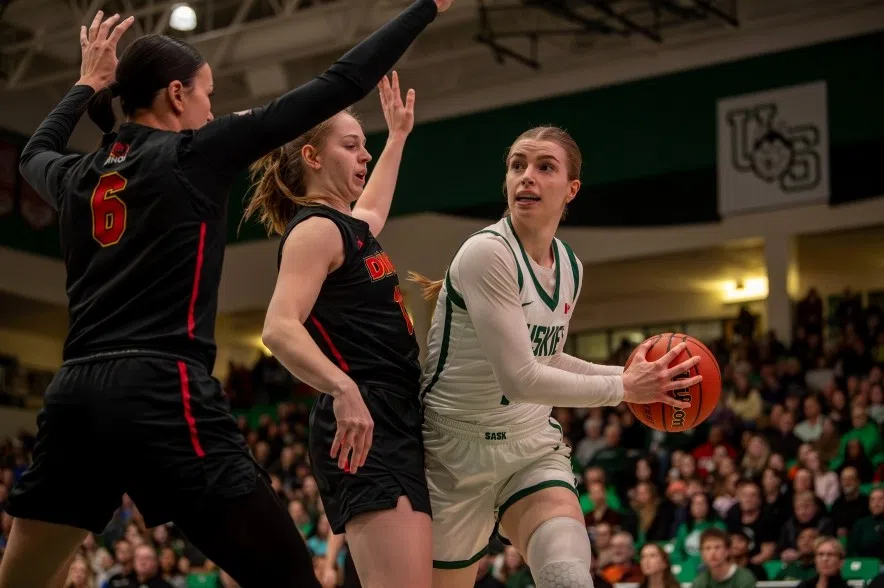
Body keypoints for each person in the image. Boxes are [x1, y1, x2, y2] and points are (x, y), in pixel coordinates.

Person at [0, 1, 453, 586]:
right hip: (162, 390)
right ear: (175, 95)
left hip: (73, 397)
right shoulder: (196, 153)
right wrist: (424, 8)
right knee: (290, 577)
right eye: (207, 94)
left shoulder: (76, 176)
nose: (213, 107)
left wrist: (87, 83)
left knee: (22, 581)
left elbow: (35, 152)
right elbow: (342, 80)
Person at [409, 125, 700, 587]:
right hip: (452, 455)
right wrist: (624, 387)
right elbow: (520, 378)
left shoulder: (569, 265)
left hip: (529, 445)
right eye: (517, 165)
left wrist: (639, 377)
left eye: (545, 167)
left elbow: (550, 358)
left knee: (567, 575)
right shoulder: (487, 253)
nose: (527, 176)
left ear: (571, 189)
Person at [245, 71, 430, 587]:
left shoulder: (347, 225)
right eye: (352, 146)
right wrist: (342, 386)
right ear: (313, 157)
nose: (363, 156)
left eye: (364, 148)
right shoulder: (316, 230)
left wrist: (396, 138)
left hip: (394, 412)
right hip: (363, 416)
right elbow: (279, 329)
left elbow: (371, 208)